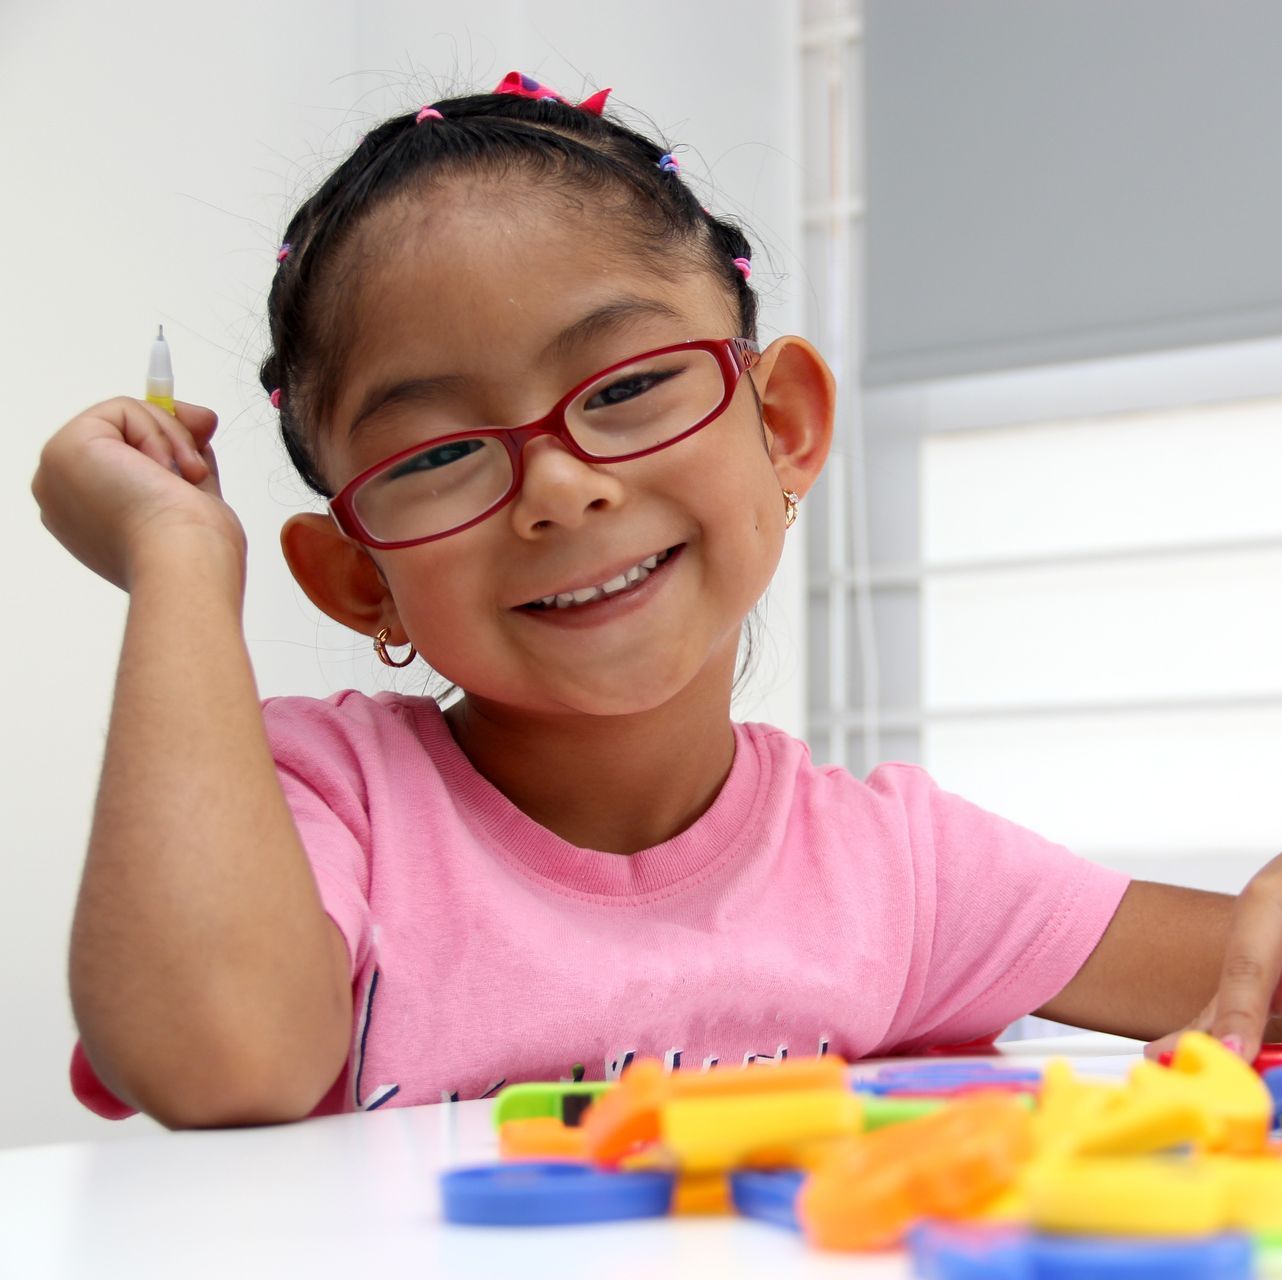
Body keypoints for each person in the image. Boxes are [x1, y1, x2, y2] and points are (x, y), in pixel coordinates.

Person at [30, 72, 1279, 1128]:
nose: (562, 488)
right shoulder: (320, 805)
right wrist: (178, 558)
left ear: (781, 427)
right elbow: (217, 1056)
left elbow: (1245, 984)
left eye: (626, 388)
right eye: (435, 455)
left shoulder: (901, 872)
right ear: (362, 578)